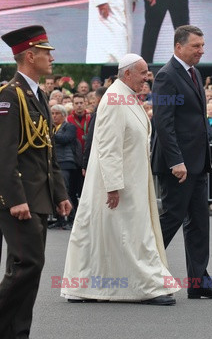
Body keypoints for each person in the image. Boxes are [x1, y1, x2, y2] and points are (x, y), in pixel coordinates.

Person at [61, 53, 178, 305]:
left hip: (132, 179)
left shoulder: (127, 97)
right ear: (127, 73)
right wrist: (113, 186)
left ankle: (88, 286)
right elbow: (108, 146)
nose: (147, 78)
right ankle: (147, 286)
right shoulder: (115, 99)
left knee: (111, 235)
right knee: (129, 235)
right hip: (118, 183)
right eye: (143, 73)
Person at [151, 25, 212, 299]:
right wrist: (176, 161)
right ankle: (144, 275)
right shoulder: (165, 76)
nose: (202, 50)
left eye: (202, 45)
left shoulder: (194, 73)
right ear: (178, 47)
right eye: (196, 46)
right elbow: (163, 123)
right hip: (178, 166)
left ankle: (199, 284)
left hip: (197, 164)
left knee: (199, 223)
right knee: (171, 220)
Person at [0, 25, 71, 339]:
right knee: (28, 264)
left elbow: (46, 148)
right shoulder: (9, 95)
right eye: (46, 52)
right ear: (29, 56)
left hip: (38, 197)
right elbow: (4, 153)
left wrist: (60, 193)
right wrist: (14, 198)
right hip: (19, 199)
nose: (50, 58)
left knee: (29, 269)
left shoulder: (39, 94)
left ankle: (17, 332)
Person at [50, 104, 79, 229]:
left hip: (66, 162)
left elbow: (65, 139)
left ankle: (72, 218)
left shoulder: (70, 127)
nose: (54, 116)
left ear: (64, 115)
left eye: (57, 113)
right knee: (55, 191)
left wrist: (49, 135)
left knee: (65, 190)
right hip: (54, 163)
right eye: (52, 113)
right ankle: (60, 219)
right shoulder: (52, 128)